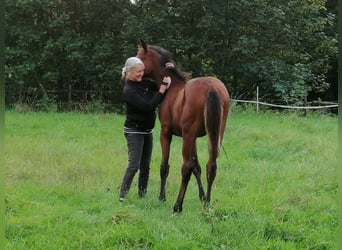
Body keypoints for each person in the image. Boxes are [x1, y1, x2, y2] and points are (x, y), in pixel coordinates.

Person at [119, 57, 171, 202]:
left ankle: (142, 195)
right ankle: (122, 196)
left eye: (142, 71)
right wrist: (161, 92)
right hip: (134, 131)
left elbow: (164, 83)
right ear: (129, 72)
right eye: (138, 72)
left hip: (147, 131)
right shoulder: (129, 90)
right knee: (134, 165)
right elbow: (148, 106)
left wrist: (168, 69)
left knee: (145, 167)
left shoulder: (146, 83)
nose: (141, 74)